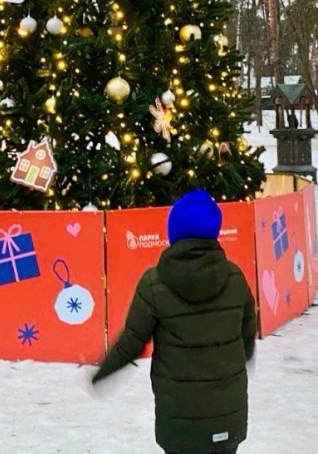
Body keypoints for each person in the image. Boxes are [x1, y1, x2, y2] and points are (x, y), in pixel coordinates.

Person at [92, 190, 257, 454]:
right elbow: (248, 329)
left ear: (173, 231)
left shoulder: (153, 284)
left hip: (179, 420)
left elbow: (132, 341)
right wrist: (242, 359)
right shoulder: (234, 277)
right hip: (227, 414)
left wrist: (102, 373)